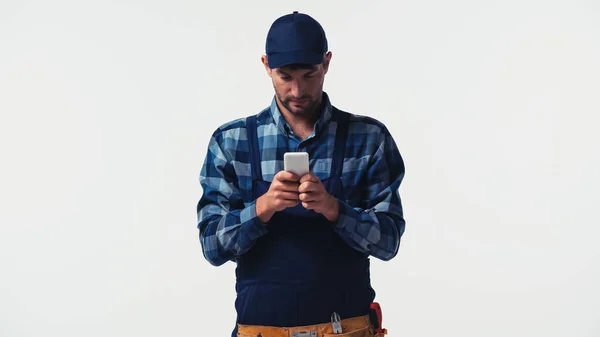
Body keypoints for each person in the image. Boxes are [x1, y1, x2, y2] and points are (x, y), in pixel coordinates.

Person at [196, 11, 406, 337]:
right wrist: (262, 208)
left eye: (309, 75)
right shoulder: (231, 142)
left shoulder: (368, 139)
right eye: (285, 77)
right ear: (266, 65)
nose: (297, 91)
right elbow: (211, 246)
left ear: (327, 62)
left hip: (347, 331)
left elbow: (389, 242)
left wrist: (334, 209)